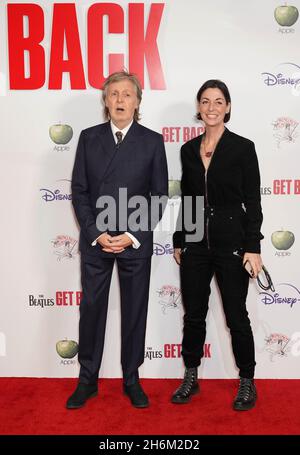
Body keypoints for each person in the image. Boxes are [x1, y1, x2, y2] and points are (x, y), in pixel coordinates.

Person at [66, 71, 168, 409]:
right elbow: (79, 191)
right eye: (114, 94)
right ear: (105, 101)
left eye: (127, 94)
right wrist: (96, 233)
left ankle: (131, 379)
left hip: (134, 243)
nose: (120, 100)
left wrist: (131, 235)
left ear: (138, 102)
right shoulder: (88, 137)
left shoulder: (152, 141)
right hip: (97, 242)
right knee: (91, 309)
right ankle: (87, 380)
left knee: (134, 311)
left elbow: (159, 196)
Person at [172, 79, 263, 411]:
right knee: (194, 315)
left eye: (218, 101)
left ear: (227, 107)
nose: (211, 107)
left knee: (236, 315)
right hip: (195, 240)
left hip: (232, 241)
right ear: (198, 107)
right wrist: (181, 238)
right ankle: (191, 375)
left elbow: (253, 200)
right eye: (205, 101)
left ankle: (247, 381)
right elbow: (189, 199)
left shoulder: (242, 147)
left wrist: (253, 246)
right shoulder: (187, 149)